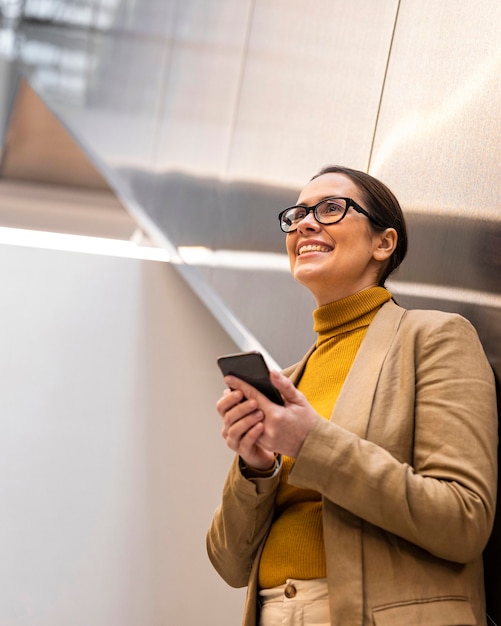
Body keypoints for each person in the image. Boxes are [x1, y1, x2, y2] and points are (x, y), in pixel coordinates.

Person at [206, 165, 498, 626]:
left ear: (384, 243)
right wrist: (256, 467)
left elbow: (462, 520)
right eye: (298, 214)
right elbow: (229, 563)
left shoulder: (436, 338)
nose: (305, 223)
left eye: (330, 208)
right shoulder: (290, 380)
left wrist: (310, 443)